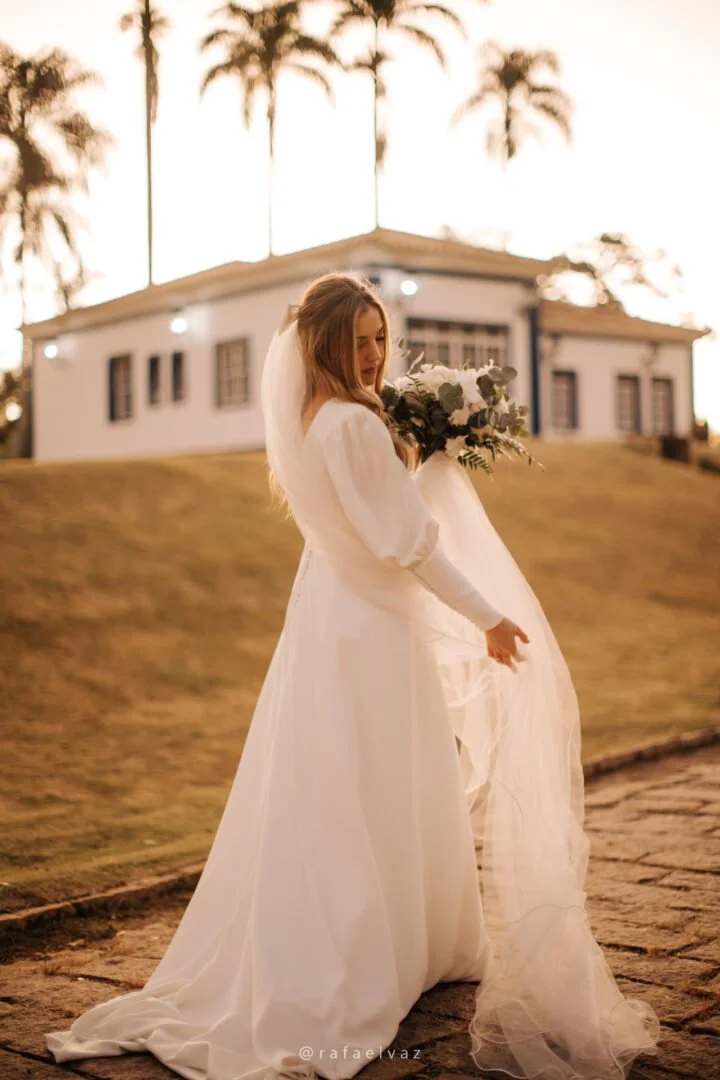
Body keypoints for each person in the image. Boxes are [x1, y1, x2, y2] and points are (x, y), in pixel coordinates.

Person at [46, 273, 660, 1080]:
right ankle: (376, 955)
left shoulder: (312, 422)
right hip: (369, 633)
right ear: (323, 344)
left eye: (380, 338)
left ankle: (419, 943)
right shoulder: (353, 428)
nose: (374, 356)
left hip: (330, 624)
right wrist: (489, 616)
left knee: (357, 781)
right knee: (379, 782)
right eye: (358, 341)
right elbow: (409, 544)